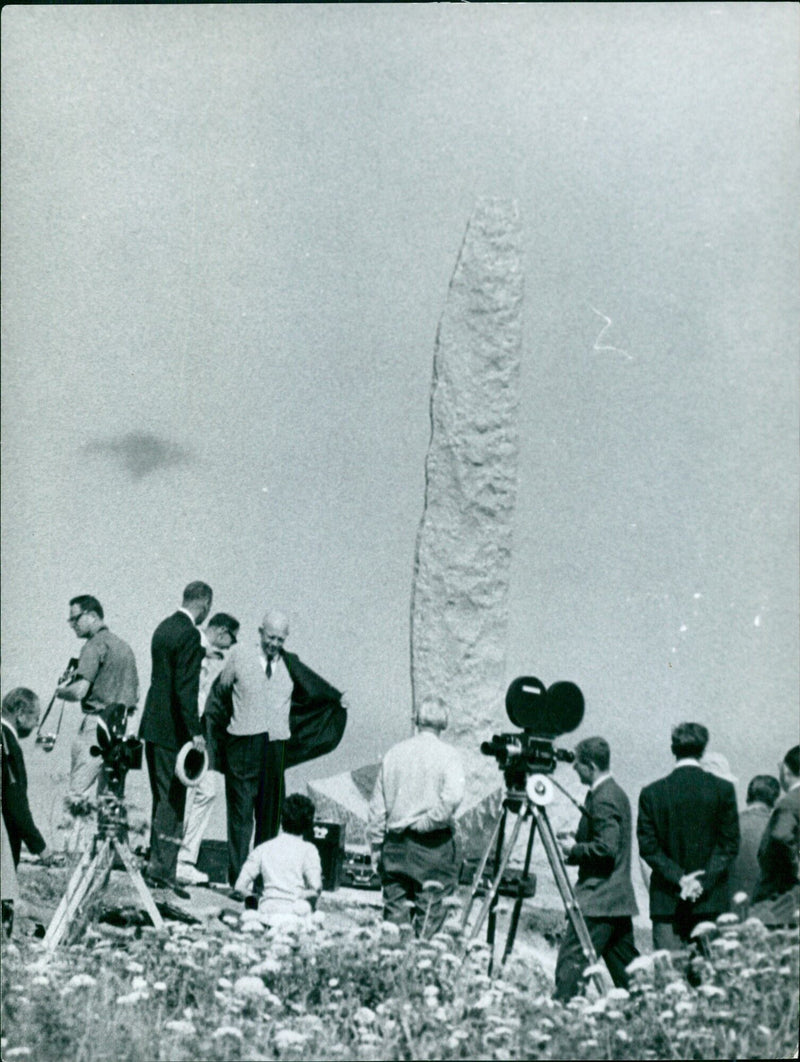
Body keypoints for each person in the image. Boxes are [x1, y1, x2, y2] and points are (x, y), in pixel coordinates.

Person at [207, 608, 348, 886]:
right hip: (242, 744)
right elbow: (220, 694)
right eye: (270, 637)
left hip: (275, 748)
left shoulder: (289, 664)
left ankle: (263, 882)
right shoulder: (239, 656)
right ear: (260, 633)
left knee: (269, 817)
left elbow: (314, 688)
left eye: (280, 640)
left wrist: (337, 699)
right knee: (240, 818)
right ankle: (238, 880)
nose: (274, 644)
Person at [138, 581, 212, 897]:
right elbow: (186, 688)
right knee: (173, 800)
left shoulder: (163, 627)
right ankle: (162, 871)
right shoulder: (192, 635)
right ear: (205, 604)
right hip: (173, 732)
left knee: (160, 798)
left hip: (152, 727)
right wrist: (196, 732)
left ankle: (159, 866)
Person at [367, 697, 464, 937]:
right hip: (434, 848)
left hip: (396, 846)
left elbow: (378, 807)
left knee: (394, 926)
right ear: (445, 723)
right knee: (430, 926)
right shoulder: (449, 756)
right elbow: (453, 797)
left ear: (417, 719)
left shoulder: (394, 754)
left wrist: (377, 846)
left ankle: (393, 969)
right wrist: (427, 823)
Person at [637, 722, 739, 949]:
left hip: (667, 902)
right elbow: (729, 845)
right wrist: (702, 881)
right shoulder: (723, 790)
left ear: (673, 749)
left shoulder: (652, 793)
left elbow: (648, 847)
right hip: (711, 901)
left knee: (670, 978)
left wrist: (680, 878)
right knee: (712, 978)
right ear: (703, 750)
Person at [554, 737, 639, 1002]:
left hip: (598, 900)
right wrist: (579, 840)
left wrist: (574, 850)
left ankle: (559, 1017)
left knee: (571, 968)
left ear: (590, 766)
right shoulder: (614, 792)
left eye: (577, 765)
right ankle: (652, 1019)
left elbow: (607, 848)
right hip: (616, 900)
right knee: (630, 974)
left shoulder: (604, 798)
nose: (574, 770)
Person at [57, 596, 139, 848]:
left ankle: (71, 848)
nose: (72, 624)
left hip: (96, 725)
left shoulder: (93, 646)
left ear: (92, 615)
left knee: (78, 791)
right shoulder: (124, 647)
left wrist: (61, 690)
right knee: (111, 793)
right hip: (124, 727)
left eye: (75, 618)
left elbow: (80, 690)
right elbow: (135, 694)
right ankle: (109, 848)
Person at [176, 612, 239, 886]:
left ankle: (183, 859)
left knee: (205, 791)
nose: (228, 647)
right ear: (222, 631)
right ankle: (181, 859)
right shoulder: (196, 647)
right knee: (195, 791)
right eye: (230, 640)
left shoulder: (212, 657)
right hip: (193, 731)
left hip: (203, 733)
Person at [234, 793, 322, 927]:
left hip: (266, 913)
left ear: (282, 819)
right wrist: (301, 895)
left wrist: (255, 899)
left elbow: (239, 887)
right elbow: (316, 888)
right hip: (294, 914)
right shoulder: (309, 850)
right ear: (308, 824)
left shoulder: (263, 848)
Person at [1, 688, 53, 869]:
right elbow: (15, 803)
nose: (36, 725)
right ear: (20, 714)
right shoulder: (8, 744)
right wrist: (41, 847)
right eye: (36, 718)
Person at [752, 745, 800, 921]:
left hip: (780, 895)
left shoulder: (789, 802)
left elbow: (781, 835)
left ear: (786, 770)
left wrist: (796, 867)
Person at [728, 775, 780, 901]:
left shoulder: (729, 824)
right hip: (767, 906)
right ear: (775, 800)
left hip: (731, 904)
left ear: (748, 797)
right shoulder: (778, 827)